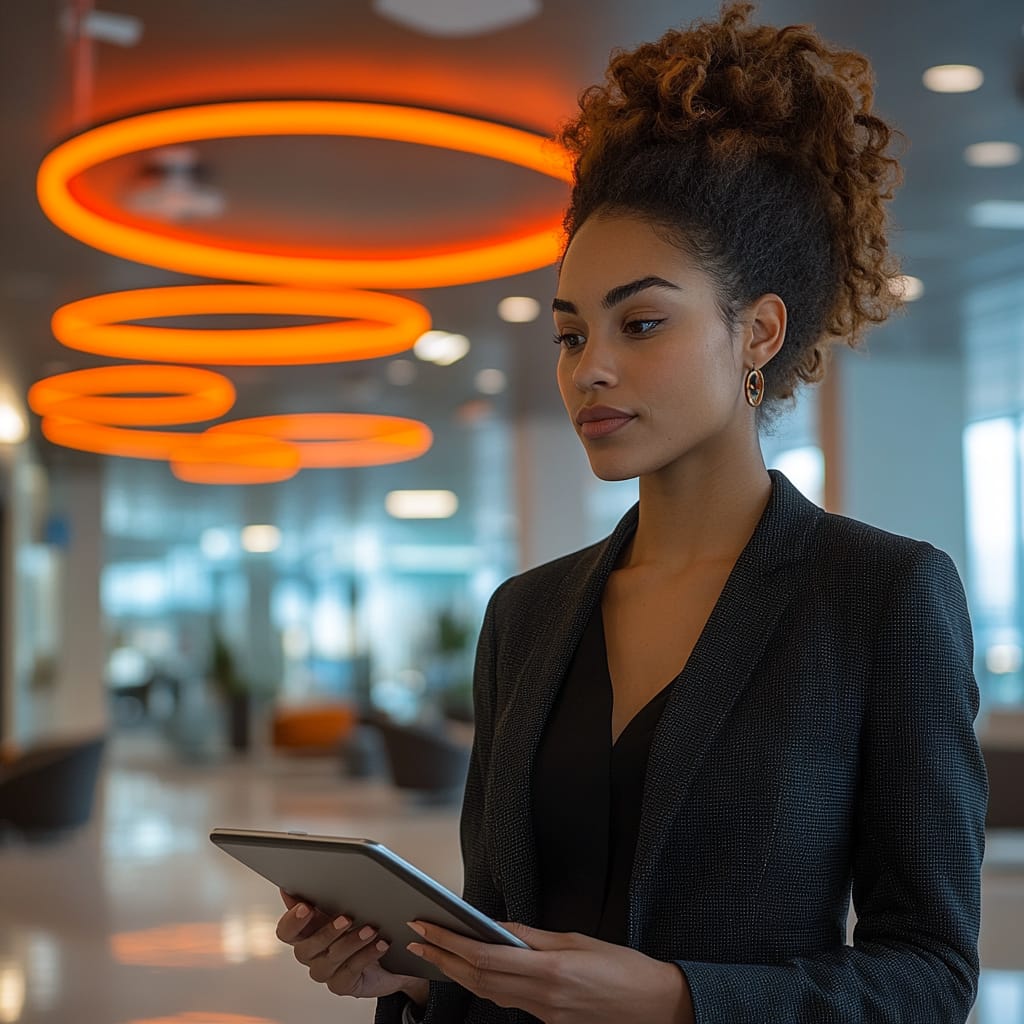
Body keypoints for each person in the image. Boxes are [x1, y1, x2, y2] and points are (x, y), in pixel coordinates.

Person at [275, 3, 988, 1021]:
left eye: (641, 321)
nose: (590, 368)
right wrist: (411, 972)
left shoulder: (879, 596)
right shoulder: (524, 616)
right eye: (569, 335)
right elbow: (498, 929)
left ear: (757, 332)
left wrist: (678, 999)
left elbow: (928, 972)